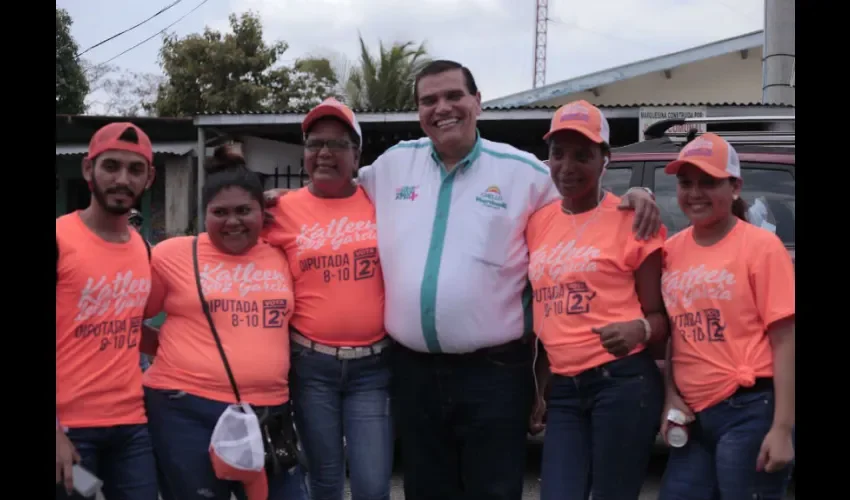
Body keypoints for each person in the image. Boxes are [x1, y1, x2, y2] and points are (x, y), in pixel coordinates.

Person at [140, 146, 308, 500]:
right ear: (205, 215)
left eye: (244, 211)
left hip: (269, 410)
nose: (233, 221)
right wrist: (166, 350)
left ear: (263, 214)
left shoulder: (283, 253)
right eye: (220, 212)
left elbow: (318, 211)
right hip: (185, 408)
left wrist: (287, 198)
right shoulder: (173, 254)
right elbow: (127, 320)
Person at [526, 101, 668, 500]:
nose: (567, 166)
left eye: (582, 155)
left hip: (621, 384)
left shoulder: (631, 220)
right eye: (558, 154)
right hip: (565, 390)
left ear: (605, 159)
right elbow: (544, 314)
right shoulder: (538, 222)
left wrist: (637, 328)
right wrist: (538, 389)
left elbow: (661, 319)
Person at [263, 98, 393, 500]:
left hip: (374, 367)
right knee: (324, 480)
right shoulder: (279, 210)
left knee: (372, 485)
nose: (324, 153)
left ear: (357, 156)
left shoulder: (383, 203)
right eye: (315, 143)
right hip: (310, 364)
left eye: (337, 145)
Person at [657, 133, 795, 500]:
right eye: (686, 183)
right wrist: (671, 396)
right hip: (692, 417)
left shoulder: (762, 247)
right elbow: (676, 333)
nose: (695, 193)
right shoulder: (670, 251)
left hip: (749, 410)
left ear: (735, 187)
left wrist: (782, 429)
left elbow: (786, 341)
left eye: (708, 182)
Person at [55, 122, 159, 499]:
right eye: (111, 166)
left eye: (135, 170)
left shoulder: (143, 249)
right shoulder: (60, 239)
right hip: (69, 429)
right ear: (88, 169)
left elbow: (130, 326)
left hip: (132, 427)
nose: (122, 179)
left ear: (149, 178)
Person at [128, 208, 155, 372]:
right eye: (131, 221)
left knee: (140, 344)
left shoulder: (146, 246)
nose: (134, 226)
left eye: (137, 223)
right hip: (119, 305)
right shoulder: (111, 244)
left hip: (142, 303)